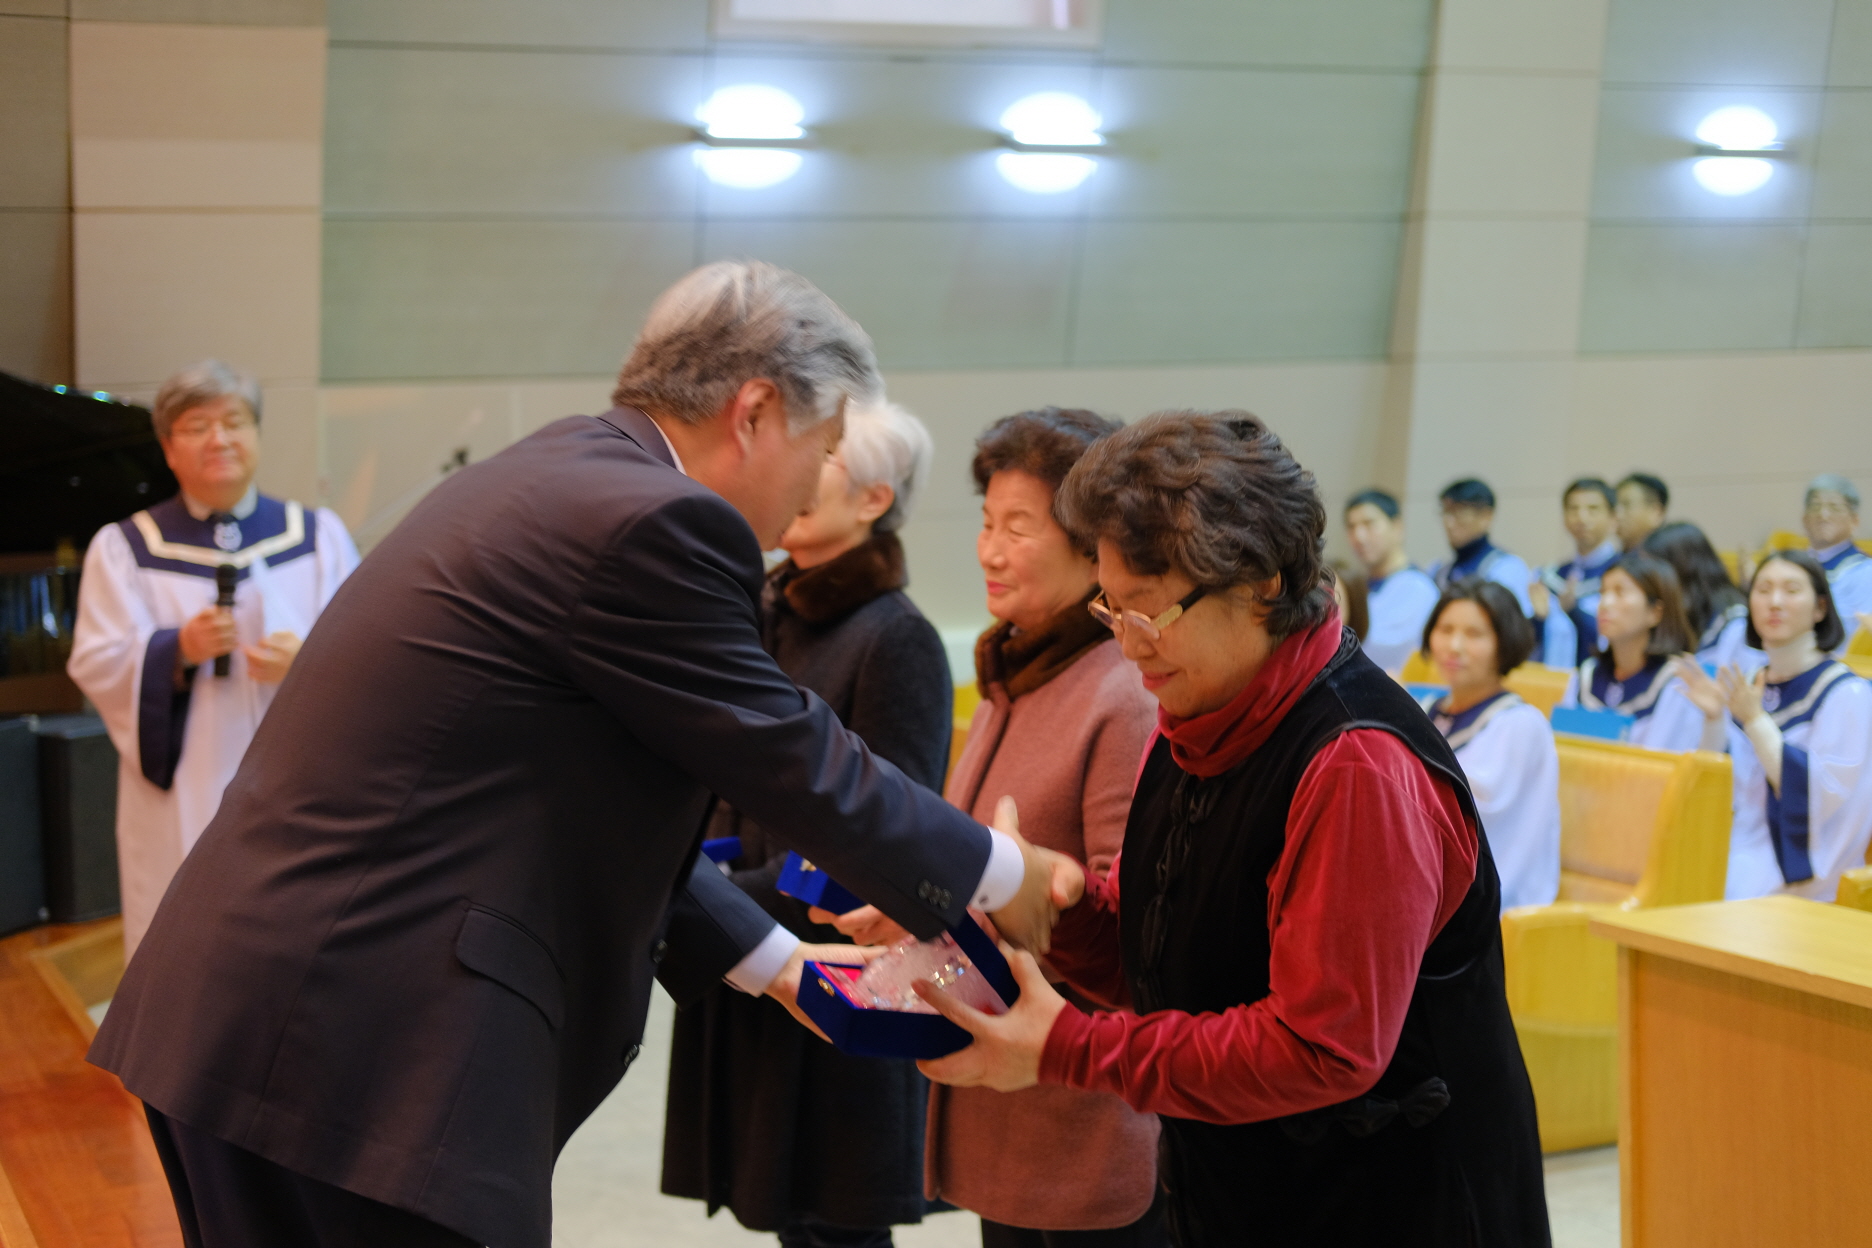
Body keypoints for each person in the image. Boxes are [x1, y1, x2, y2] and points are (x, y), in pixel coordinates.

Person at [87, 262, 1082, 1248]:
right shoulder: (657, 520)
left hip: (273, 1014)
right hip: (344, 1045)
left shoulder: (566, 470)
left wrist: (782, 965)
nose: (809, 485)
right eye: (821, 447)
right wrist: (1000, 875)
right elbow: (790, 751)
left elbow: (575, 802)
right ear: (754, 413)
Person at [916, 412, 1549, 1246]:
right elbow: (1168, 962)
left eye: (1149, 613)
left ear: (1260, 586)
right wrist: (1047, 904)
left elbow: (1323, 1048)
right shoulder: (1198, 708)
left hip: (1390, 1206)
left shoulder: (1358, 764)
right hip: (1244, 1193)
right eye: (1112, 609)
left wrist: (1072, 1048)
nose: (1129, 646)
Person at [831, 409, 1165, 1247]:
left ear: (1095, 550)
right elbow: (990, 876)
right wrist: (921, 913)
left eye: (1019, 528)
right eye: (986, 523)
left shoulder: (1122, 695)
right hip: (1007, 1105)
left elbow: (1131, 931)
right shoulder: (1014, 675)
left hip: (1084, 1121)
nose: (989, 550)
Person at [660, 401, 952, 1248]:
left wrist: (719, 900)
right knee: (790, 1221)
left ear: (873, 498)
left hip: (831, 959)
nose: (795, 470)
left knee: (837, 1222)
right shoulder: (762, 608)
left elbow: (886, 840)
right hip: (753, 937)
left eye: (823, 458)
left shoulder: (896, 638)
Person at [65, 360, 359, 957]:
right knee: (187, 938)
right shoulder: (126, 548)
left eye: (234, 422)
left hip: (294, 779)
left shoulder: (315, 537)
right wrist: (176, 650)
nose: (219, 439)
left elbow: (366, 653)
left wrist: (307, 663)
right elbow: (97, 660)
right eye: (197, 427)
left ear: (256, 433)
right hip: (186, 782)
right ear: (168, 448)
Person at [1678, 552, 1872, 900]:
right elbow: (1727, 789)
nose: (1775, 602)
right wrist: (1714, 720)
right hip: (1740, 846)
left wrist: (1755, 722)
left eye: (1791, 590)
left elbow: (1824, 799)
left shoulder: (1847, 693)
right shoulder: (1750, 684)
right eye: (1763, 590)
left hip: (1801, 863)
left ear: (1820, 608)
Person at [1419, 581, 1561, 912]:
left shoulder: (1520, 723)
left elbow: (1476, 808)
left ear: (1504, 642)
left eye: (1474, 634)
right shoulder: (1424, 709)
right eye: (1445, 630)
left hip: (1488, 904)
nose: (1454, 646)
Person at [1557, 552, 1707, 752]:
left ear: (1655, 612)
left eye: (1620, 593)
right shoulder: (1587, 674)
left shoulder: (1677, 683)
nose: (1605, 604)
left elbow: (1662, 763)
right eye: (1603, 593)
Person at [1428, 477, 1574, 669]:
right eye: (1446, 512)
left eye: (1459, 512)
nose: (1449, 522)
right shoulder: (1439, 571)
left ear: (1486, 516)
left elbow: (1514, 635)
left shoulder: (1507, 567)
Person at [1342, 488, 1437, 672]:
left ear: (1397, 527)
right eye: (1351, 527)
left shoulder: (1418, 588)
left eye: (1369, 524)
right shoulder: (1358, 585)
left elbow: (1379, 647)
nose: (1359, 536)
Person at [1643, 522, 1752, 670]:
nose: (1651, 582)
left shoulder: (1734, 620)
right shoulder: (1677, 613)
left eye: (1655, 571)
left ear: (1682, 569)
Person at [1535, 477, 1620, 665]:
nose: (1582, 518)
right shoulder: (1550, 576)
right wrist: (1538, 619)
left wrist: (1573, 611)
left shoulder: (1624, 575)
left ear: (1613, 518)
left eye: (1593, 509)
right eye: (1573, 509)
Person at [1802, 474, 1872, 648]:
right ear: (1804, 519)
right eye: (1815, 506)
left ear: (1854, 520)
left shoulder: (1865, 572)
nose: (1823, 515)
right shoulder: (1791, 566)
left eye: (1834, 507)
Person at [1614, 472, 1669, 549]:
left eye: (1627, 505)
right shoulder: (1612, 555)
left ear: (1656, 512)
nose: (1618, 515)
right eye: (1615, 506)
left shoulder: (1672, 554)